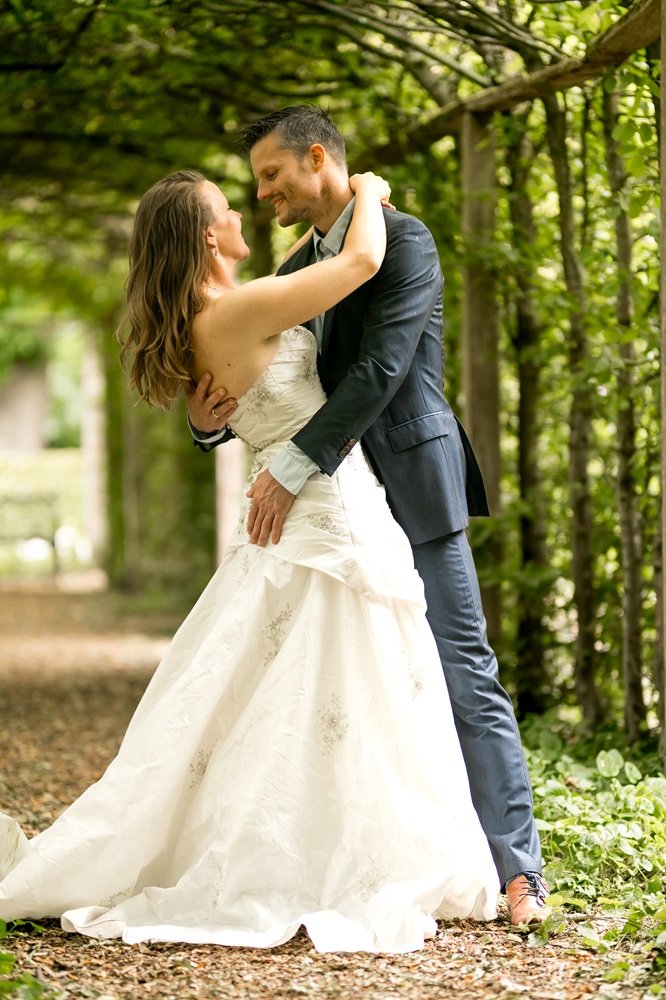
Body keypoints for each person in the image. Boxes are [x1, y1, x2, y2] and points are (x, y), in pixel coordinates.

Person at [0, 168, 500, 954]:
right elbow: (360, 261)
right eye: (228, 207)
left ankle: (320, 840)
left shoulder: (221, 311)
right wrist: (368, 189)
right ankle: (340, 854)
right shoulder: (241, 308)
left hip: (298, 506)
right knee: (354, 677)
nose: (244, 210)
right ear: (209, 235)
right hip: (324, 508)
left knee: (313, 682)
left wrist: (207, 425)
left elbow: (304, 274)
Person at [187, 105, 549, 926]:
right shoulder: (298, 265)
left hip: (410, 486)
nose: (265, 193)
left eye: (272, 175)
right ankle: (360, 859)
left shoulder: (405, 241)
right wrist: (210, 424)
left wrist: (292, 464)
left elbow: (383, 368)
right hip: (338, 506)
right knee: (355, 684)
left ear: (318, 159)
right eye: (256, 183)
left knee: (463, 669)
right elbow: (263, 374)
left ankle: (519, 872)